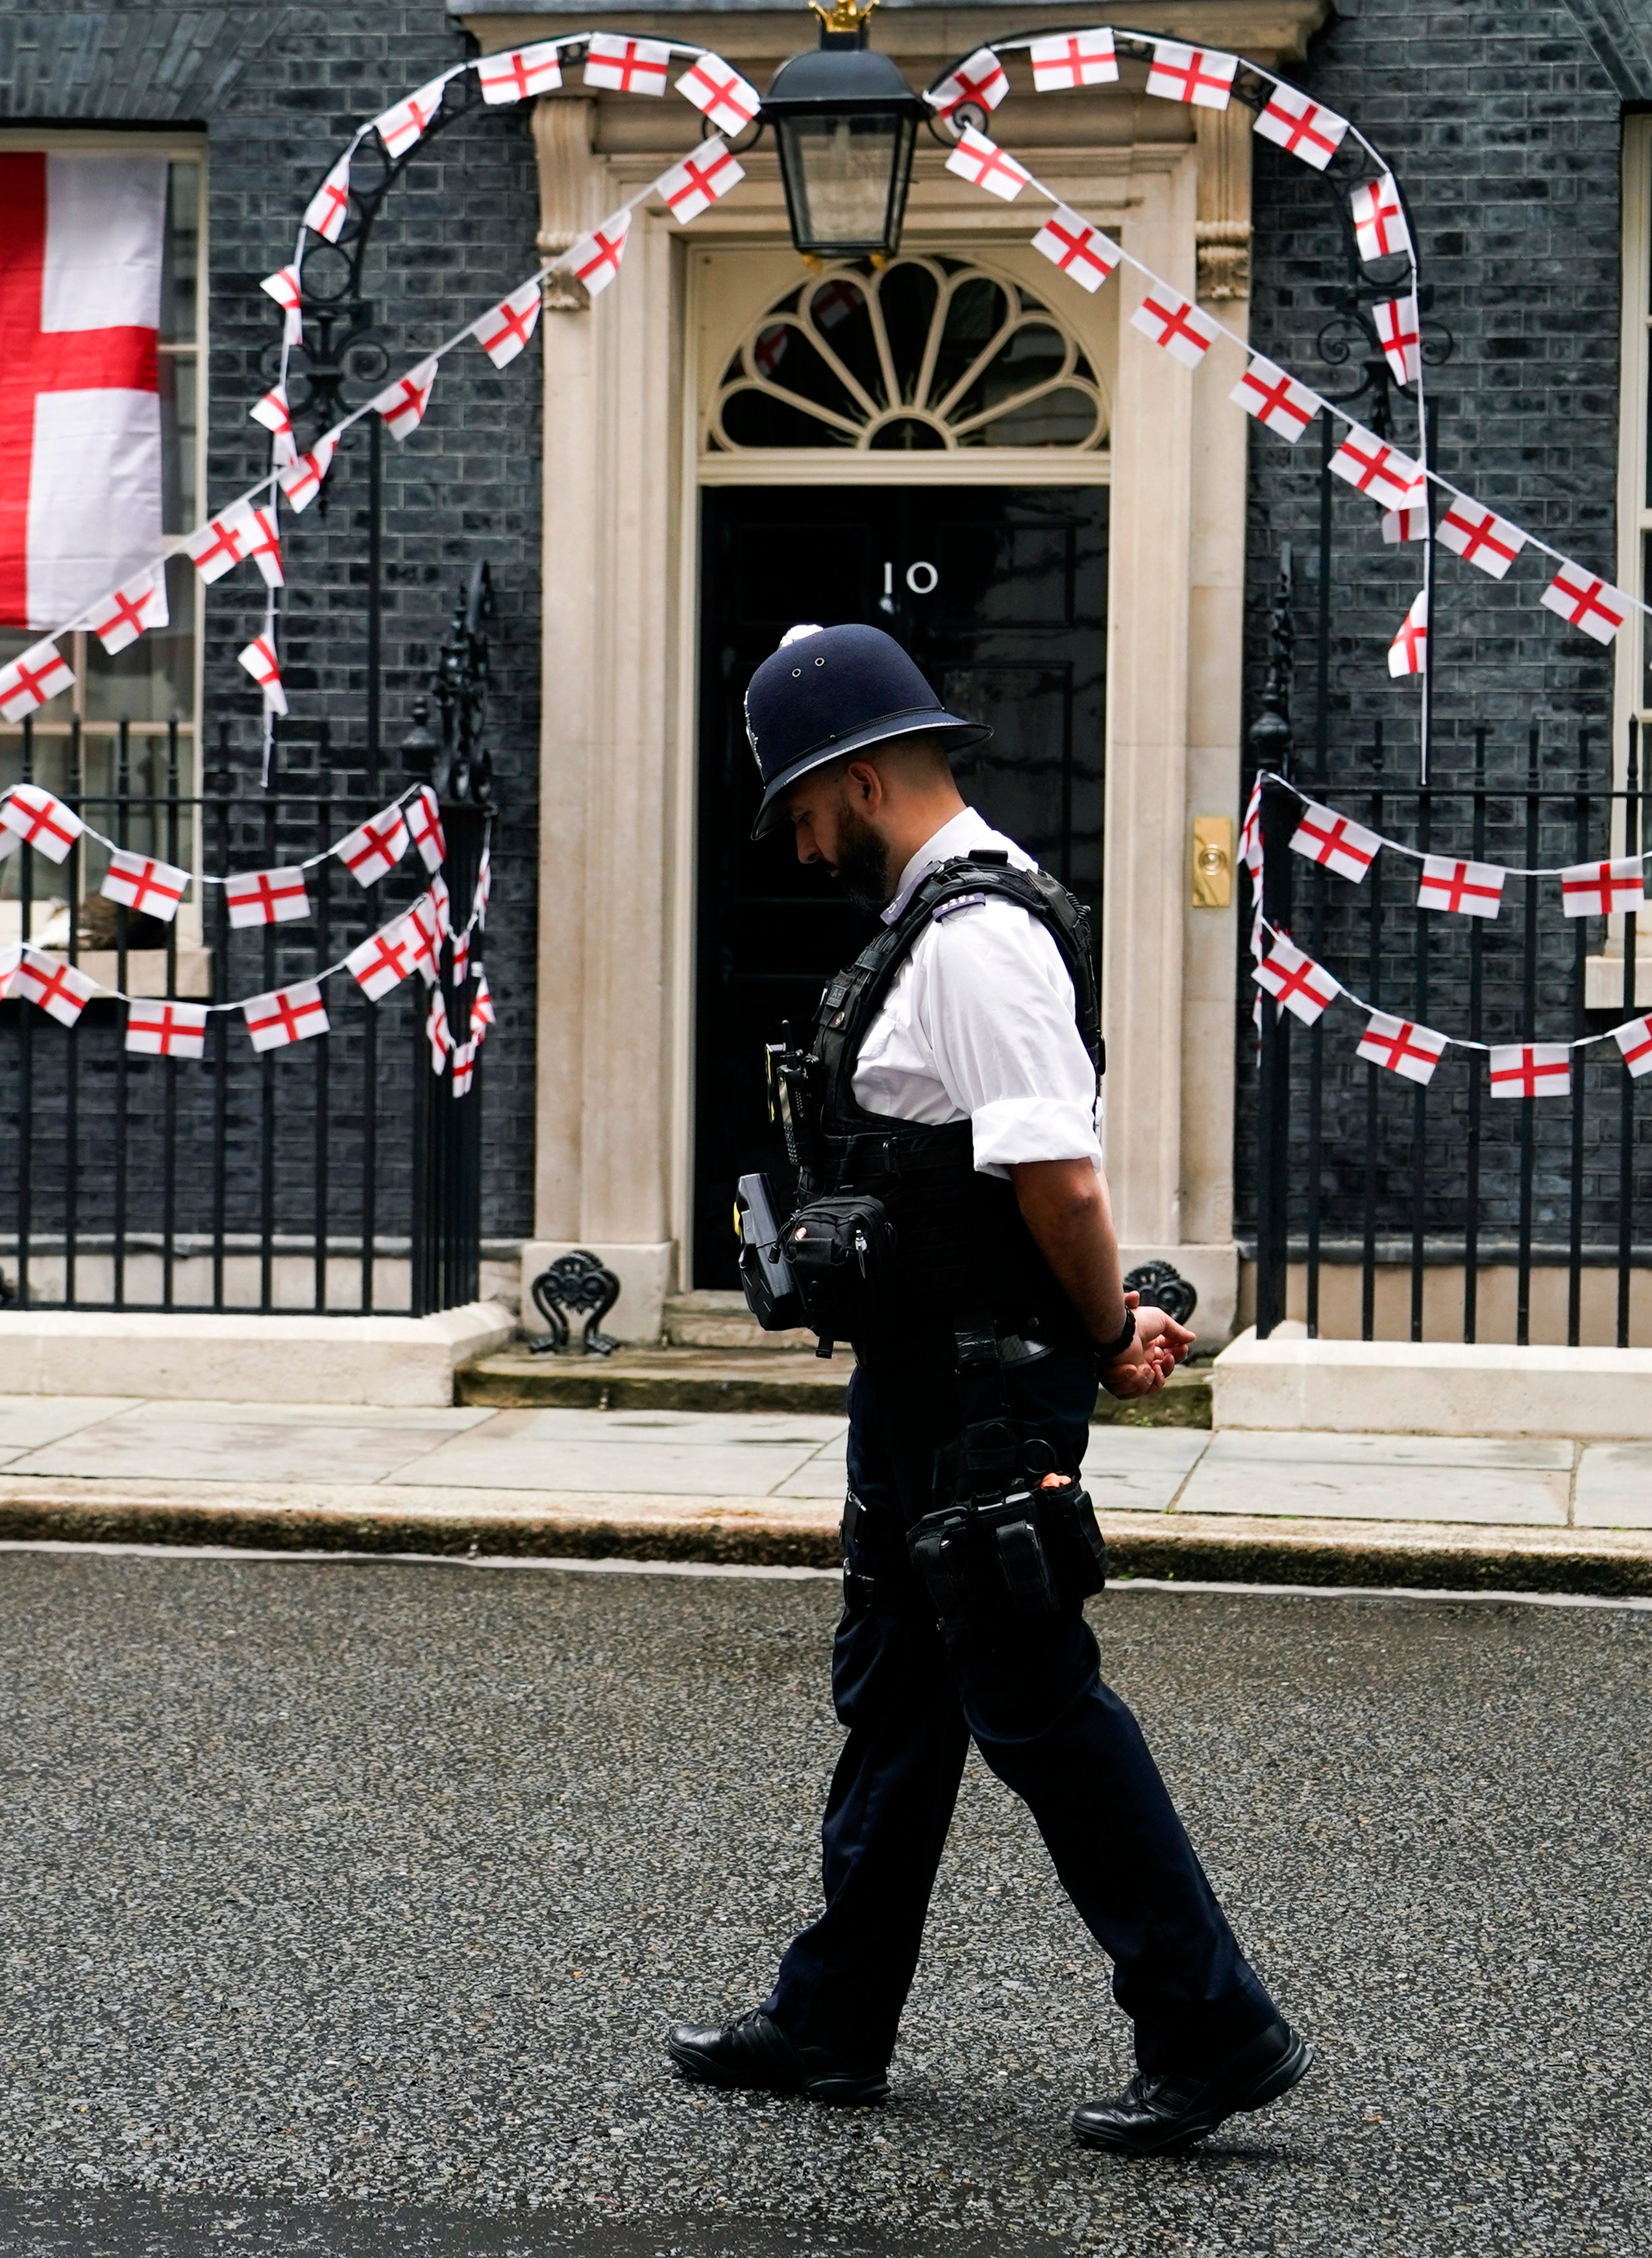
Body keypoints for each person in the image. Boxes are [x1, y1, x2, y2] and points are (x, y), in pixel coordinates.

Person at [666, 622, 1307, 2157]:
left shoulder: (973, 938)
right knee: (894, 1694)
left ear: (866, 776)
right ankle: (833, 2017)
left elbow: (1057, 1182)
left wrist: (1102, 1336)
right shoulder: (927, 927)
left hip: (981, 1395)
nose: (798, 839)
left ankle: (1210, 2024)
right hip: (925, 1379)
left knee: (1034, 1710)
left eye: (801, 807)